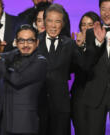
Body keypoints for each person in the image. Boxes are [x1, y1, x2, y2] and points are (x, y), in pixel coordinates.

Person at [0, 24, 47, 135]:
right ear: (16, 42)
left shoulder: (40, 62)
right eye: (21, 41)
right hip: (5, 121)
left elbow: (17, 79)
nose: (25, 45)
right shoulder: (13, 55)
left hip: (24, 124)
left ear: (37, 43)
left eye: (30, 41)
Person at [38, 4, 85, 135]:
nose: (53, 25)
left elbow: (83, 66)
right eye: (50, 21)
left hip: (61, 106)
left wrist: (81, 47)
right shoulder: (34, 41)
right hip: (38, 105)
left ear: (63, 24)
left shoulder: (70, 44)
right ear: (44, 22)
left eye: (57, 21)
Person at [82, 0, 110, 134]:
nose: (106, 13)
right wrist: (98, 43)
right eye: (103, 9)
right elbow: (87, 65)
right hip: (95, 94)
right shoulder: (90, 33)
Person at [70, 11, 101, 135]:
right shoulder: (74, 45)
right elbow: (71, 68)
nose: (86, 27)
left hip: (97, 96)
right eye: (83, 24)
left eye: (90, 24)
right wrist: (78, 47)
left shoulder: (102, 44)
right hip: (79, 96)